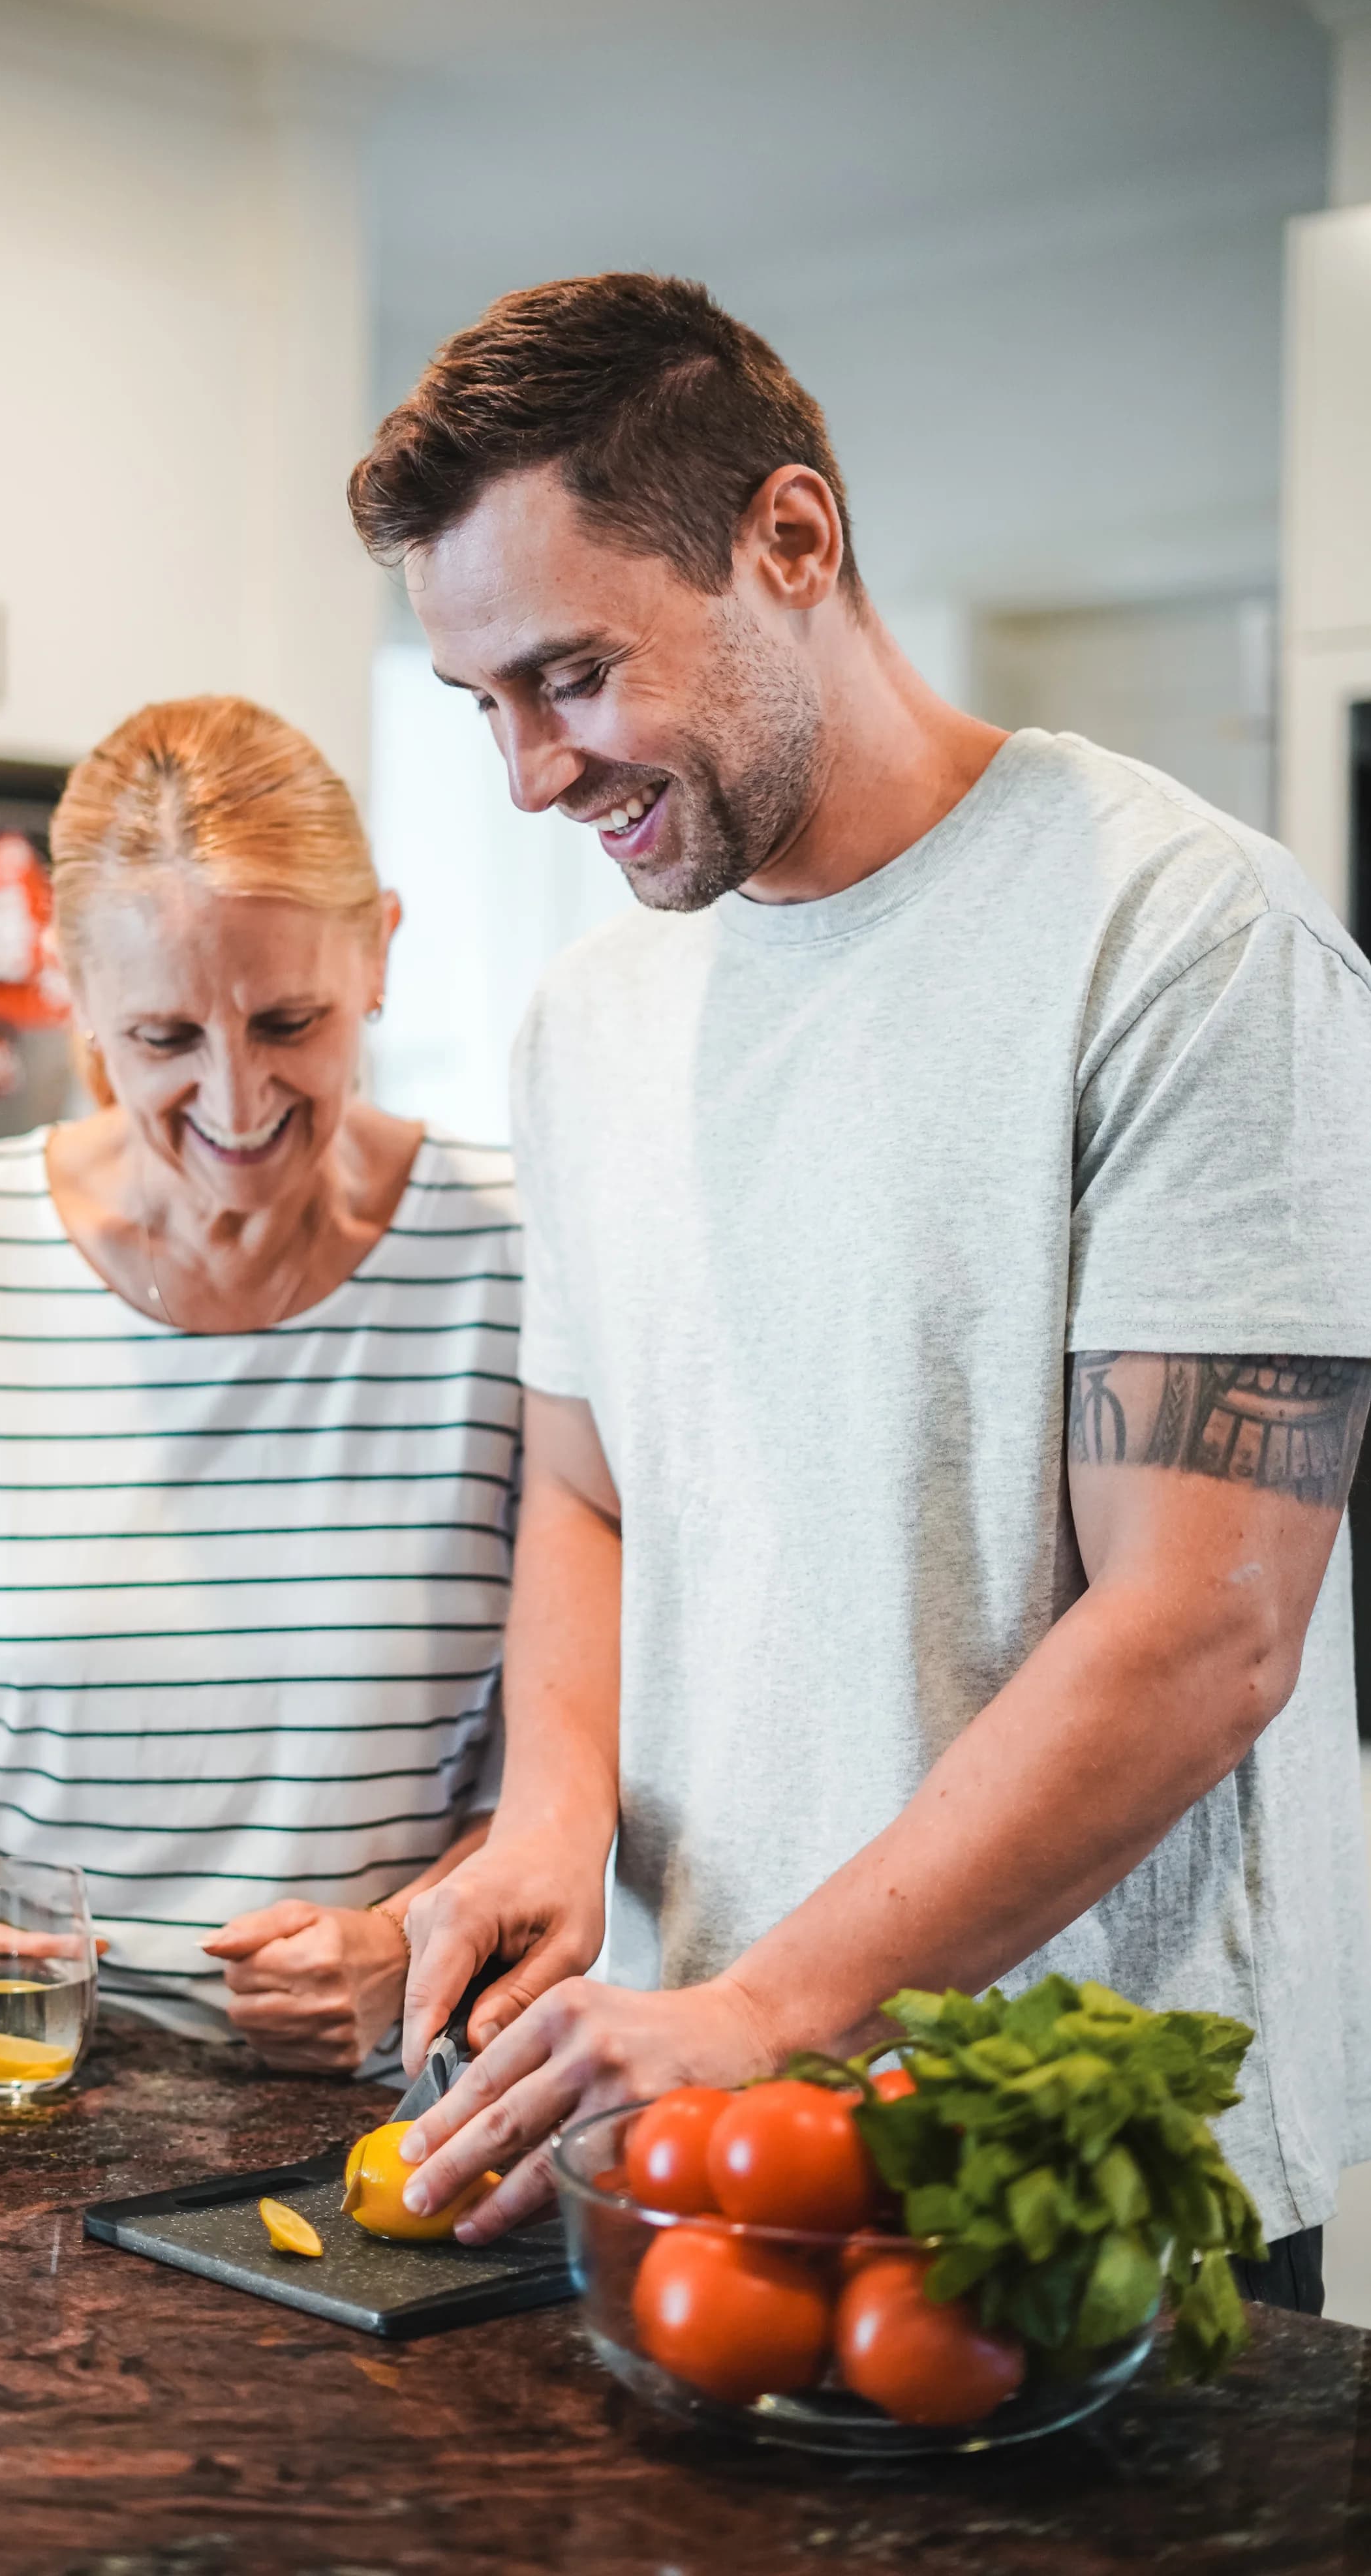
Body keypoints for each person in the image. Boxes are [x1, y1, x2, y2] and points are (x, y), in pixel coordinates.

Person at [341, 271, 1371, 2313]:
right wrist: (550, 1819)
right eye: (481, 707)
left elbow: (1203, 1630)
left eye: (568, 675)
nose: (530, 777)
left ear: (789, 541)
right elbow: (588, 1483)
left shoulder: (1181, 939)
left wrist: (771, 2005)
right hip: (689, 2121)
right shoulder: (589, 1013)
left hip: (1076, 2141)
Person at [0, 695, 520, 2087]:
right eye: (164, 1037)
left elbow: (590, 1762)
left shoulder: (515, 1257)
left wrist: (399, 1935)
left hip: (403, 2108)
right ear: (75, 1003)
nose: (237, 1096)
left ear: (378, 951)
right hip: (28, 2077)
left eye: (287, 1019)